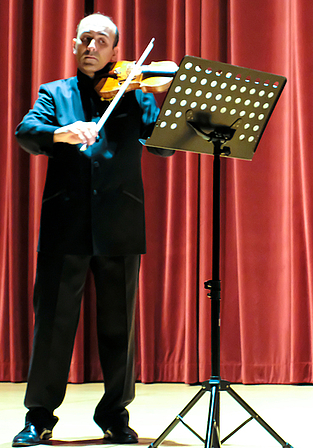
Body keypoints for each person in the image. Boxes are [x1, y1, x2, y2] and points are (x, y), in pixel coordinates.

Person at [12, 13, 174, 446]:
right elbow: (27, 132)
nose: (91, 47)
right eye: (85, 39)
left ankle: (114, 414)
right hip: (65, 223)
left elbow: (161, 145)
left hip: (120, 223)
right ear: (73, 45)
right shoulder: (55, 93)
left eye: (101, 41)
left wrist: (165, 96)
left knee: (119, 326)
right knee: (52, 324)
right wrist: (62, 133)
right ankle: (39, 416)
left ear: (116, 52)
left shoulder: (133, 94)